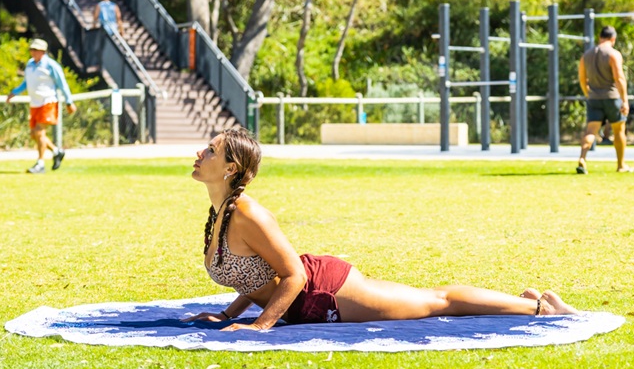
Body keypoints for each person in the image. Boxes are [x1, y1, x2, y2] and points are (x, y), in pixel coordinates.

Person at [182, 128, 578, 331]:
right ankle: (523, 300)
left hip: (327, 292)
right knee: (432, 299)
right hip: (309, 299)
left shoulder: (250, 215)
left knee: (437, 301)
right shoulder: (221, 212)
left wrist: (260, 326)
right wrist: (227, 314)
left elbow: (293, 275)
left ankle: (541, 307)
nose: (201, 153)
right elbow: (251, 275)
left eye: (211, 150)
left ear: (231, 169)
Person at [6, 38, 77, 174]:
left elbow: (62, 84)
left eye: (35, 50)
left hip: (48, 102)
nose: (32, 52)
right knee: (34, 134)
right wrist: (14, 93)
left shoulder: (51, 65)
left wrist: (69, 102)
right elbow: (26, 83)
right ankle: (57, 152)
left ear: (42, 51)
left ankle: (40, 164)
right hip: (35, 103)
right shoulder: (30, 65)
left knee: (39, 132)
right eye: (31, 49)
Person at [576, 26, 634, 174]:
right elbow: (619, 78)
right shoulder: (613, 54)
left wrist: (587, 93)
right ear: (613, 39)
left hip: (594, 98)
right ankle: (621, 165)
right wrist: (625, 100)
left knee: (591, 131)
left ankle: (582, 158)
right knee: (619, 130)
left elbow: (582, 79)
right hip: (612, 97)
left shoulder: (586, 55)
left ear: (600, 37)